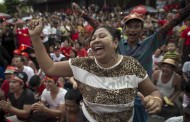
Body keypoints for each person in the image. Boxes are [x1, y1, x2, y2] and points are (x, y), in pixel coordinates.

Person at [72, 2, 190, 121]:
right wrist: (83, 14)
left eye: (136, 26)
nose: (133, 30)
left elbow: (168, 26)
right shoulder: (117, 44)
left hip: (140, 98)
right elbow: (101, 27)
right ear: (124, 29)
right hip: (117, 97)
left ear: (142, 29)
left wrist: (187, 10)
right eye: (129, 26)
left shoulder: (149, 44)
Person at [28, 19, 162, 121]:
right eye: (93, 38)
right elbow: (49, 67)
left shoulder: (131, 65)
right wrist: (35, 37)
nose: (96, 40)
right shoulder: (83, 64)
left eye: (102, 36)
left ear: (115, 42)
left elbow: (152, 91)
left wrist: (156, 100)